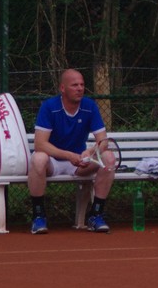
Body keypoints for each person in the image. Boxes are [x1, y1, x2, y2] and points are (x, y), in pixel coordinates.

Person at [28, 69, 114, 234]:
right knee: (38, 159)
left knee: (108, 157)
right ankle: (38, 216)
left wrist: (90, 152)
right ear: (63, 88)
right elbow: (40, 144)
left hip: (79, 164)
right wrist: (68, 155)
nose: (80, 88)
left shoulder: (89, 106)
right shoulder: (49, 107)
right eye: (74, 85)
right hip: (52, 162)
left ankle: (96, 214)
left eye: (82, 85)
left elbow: (103, 141)